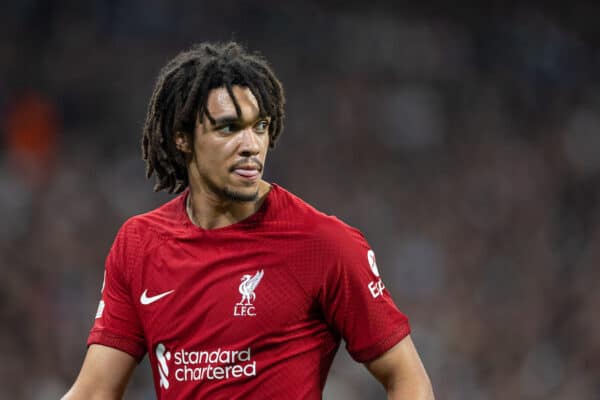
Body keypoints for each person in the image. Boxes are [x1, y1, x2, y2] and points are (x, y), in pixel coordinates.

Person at [62, 41, 434, 400]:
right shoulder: (140, 244)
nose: (252, 145)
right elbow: (94, 391)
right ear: (182, 138)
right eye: (228, 128)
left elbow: (407, 379)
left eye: (259, 127)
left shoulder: (323, 243)